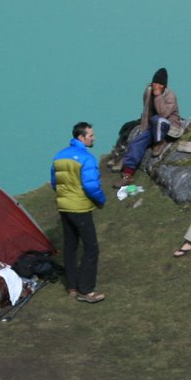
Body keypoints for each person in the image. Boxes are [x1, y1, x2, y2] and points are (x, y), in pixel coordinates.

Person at [51, 121, 107, 303]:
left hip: (64, 207)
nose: (94, 138)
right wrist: (100, 200)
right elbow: (91, 186)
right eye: (91, 135)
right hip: (80, 208)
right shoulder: (87, 158)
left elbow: (54, 182)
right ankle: (86, 290)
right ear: (81, 137)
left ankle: (72, 286)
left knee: (70, 245)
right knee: (91, 247)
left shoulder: (59, 156)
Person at [120, 67, 182, 183]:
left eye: (159, 84)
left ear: (164, 86)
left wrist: (158, 96)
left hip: (169, 127)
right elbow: (147, 109)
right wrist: (144, 128)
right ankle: (127, 173)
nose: (156, 85)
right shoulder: (148, 91)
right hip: (153, 127)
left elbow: (163, 114)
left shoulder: (170, 96)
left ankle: (159, 143)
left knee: (157, 119)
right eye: (155, 82)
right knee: (136, 143)